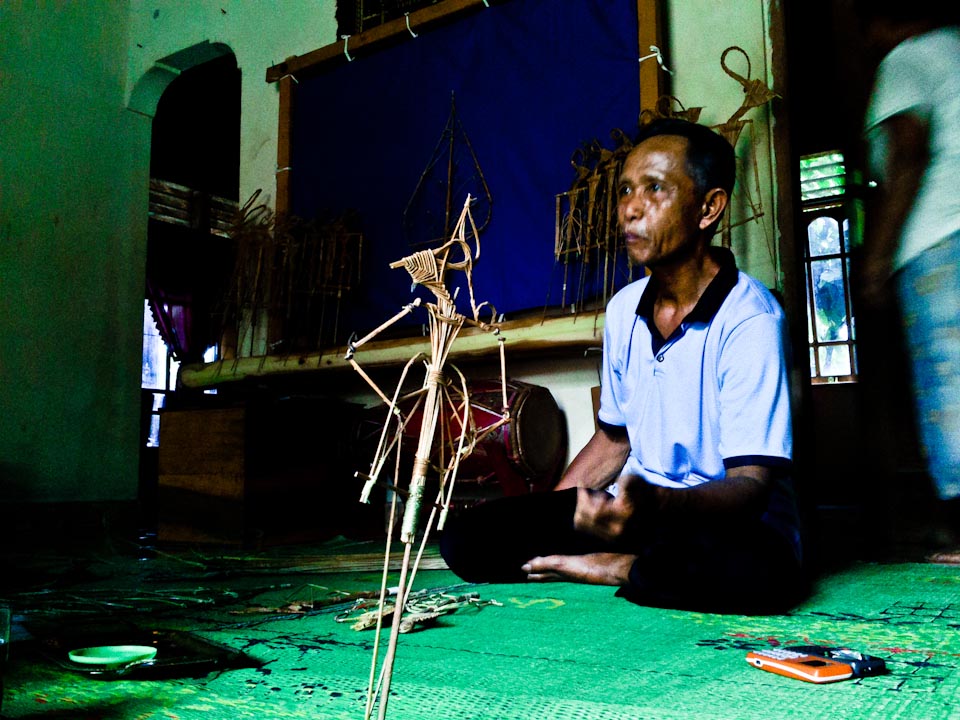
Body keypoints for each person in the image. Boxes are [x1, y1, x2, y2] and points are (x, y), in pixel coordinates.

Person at [440, 118, 804, 613]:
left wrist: (658, 505)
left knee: (761, 573)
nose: (630, 208)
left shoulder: (751, 318)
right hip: (633, 517)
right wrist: (556, 515)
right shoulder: (623, 309)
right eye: (626, 190)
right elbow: (615, 439)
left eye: (654, 189)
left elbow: (750, 486)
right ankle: (634, 562)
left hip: (715, 521)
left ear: (709, 208)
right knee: (465, 539)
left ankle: (619, 567)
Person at [858, 3, 960, 555]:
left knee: (948, 383)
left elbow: (909, 156)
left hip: (940, 238)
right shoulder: (953, 48)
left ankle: (958, 525)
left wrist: (877, 258)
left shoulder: (906, 59)